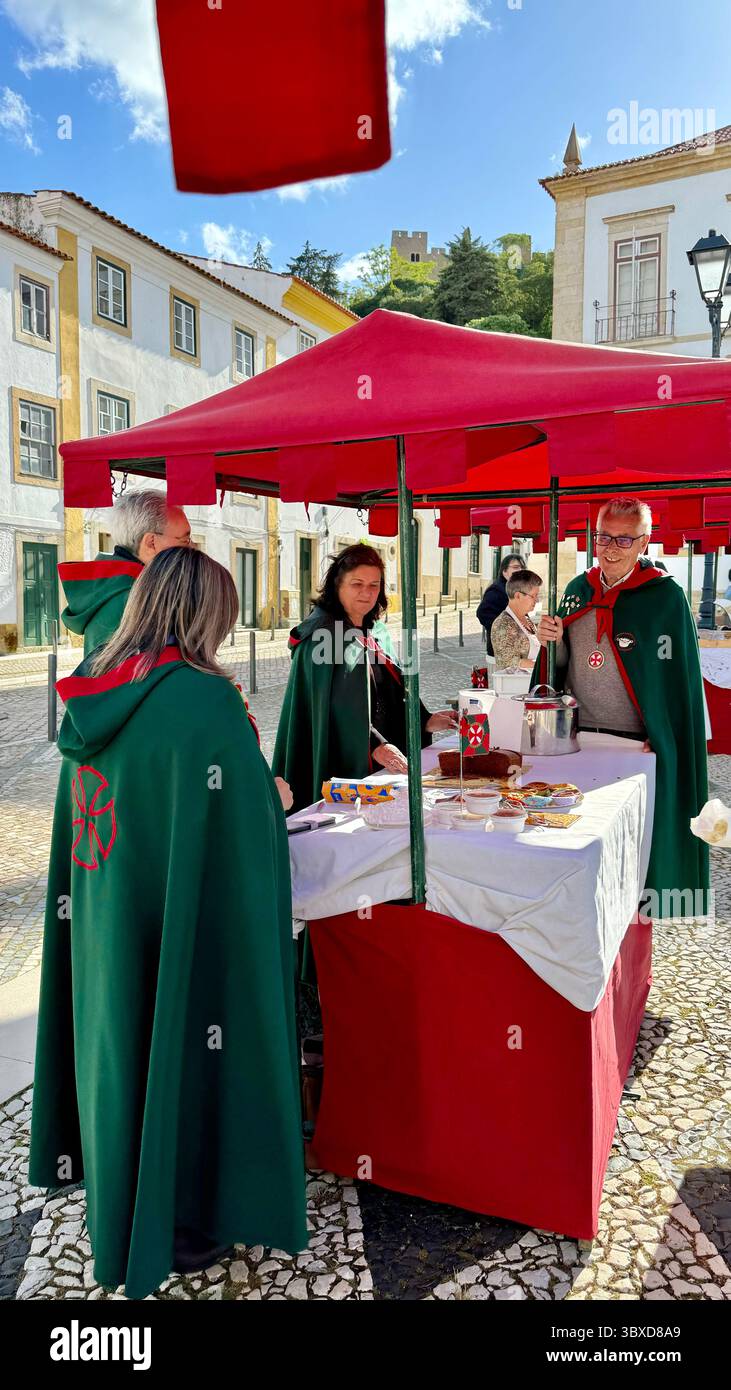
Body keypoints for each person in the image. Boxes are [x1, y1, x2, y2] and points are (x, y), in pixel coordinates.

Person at [29, 547, 307, 1299]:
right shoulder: (199, 696)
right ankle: (180, 1221)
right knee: (188, 1045)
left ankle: (124, 1199)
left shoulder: (95, 691)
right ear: (204, 617)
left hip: (104, 912)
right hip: (179, 917)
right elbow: (241, 818)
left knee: (123, 1046)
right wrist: (268, 802)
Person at [535, 496, 709, 910]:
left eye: (623, 541)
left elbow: (675, 680)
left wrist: (663, 734)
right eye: (603, 538)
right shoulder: (578, 590)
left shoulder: (665, 598)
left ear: (645, 542)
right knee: (580, 839)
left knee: (633, 845)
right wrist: (551, 642)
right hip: (579, 742)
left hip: (635, 748)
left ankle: (631, 925)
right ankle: (582, 918)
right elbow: (559, 667)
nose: (610, 549)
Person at [273, 544, 457, 813]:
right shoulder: (322, 636)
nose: (367, 592)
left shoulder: (372, 631)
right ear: (338, 585)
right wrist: (373, 745)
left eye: (374, 585)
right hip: (340, 768)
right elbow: (335, 711)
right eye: (357, 583)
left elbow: (386, 691)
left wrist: (423, 720)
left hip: (377, 771)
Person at [59, 489, 192, 655]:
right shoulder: (142, 598)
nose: (192, 549)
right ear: (151, 543)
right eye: (185, 540)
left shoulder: (113, 587)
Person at [490, 569, 545, 671]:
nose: (536, 600)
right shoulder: (502, 624)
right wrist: (544, 665)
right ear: (518, 595)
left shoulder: (527, 619)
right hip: (515, 685)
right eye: (533, 596)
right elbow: (508, 662)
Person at [476, 552, 527, 655]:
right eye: (516, 567)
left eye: (522, 567)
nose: (520, 570)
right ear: (505, 571)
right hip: (500, 651)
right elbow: (483, 613)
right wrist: (505, 631)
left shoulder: (516, 590)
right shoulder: (496, 590)